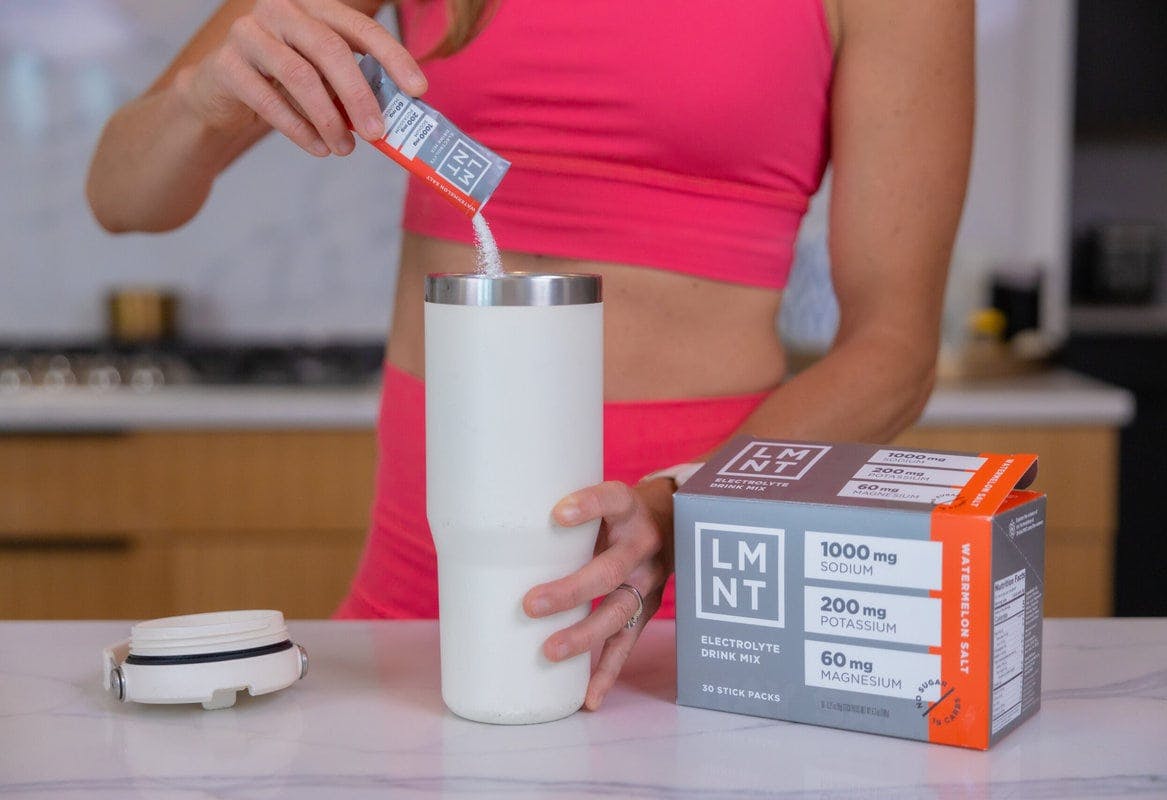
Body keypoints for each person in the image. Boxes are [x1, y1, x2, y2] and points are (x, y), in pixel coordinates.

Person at [87, 0, 974, 711]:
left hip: (693, 611)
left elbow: (894, 349)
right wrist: (203, 98)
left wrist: (684, 510)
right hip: (415, 613)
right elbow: (123, 195)